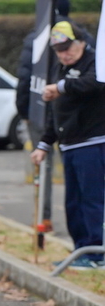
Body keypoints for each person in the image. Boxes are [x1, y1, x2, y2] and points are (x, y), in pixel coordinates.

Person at [31, 20, 105, 269]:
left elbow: (94, 83)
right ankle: (81, 251)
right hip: (69, 145)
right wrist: (43, 144)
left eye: (68, 47)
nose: (65, 54)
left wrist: (61, 87)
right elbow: (56, 111)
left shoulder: (96, 62)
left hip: (92, 143)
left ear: (82, 42)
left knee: (92, 200)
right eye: (59, 50)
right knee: (73, 203)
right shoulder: (60, 69)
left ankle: (97, 253)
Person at [16, 0, 80, 227]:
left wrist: (23, 110)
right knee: (76, 172)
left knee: (44, 165)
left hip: (40, 108)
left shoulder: (37, 37)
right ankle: (82, 225)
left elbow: (25, 76)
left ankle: (44, 218)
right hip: (72, 113)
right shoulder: (82, 37)